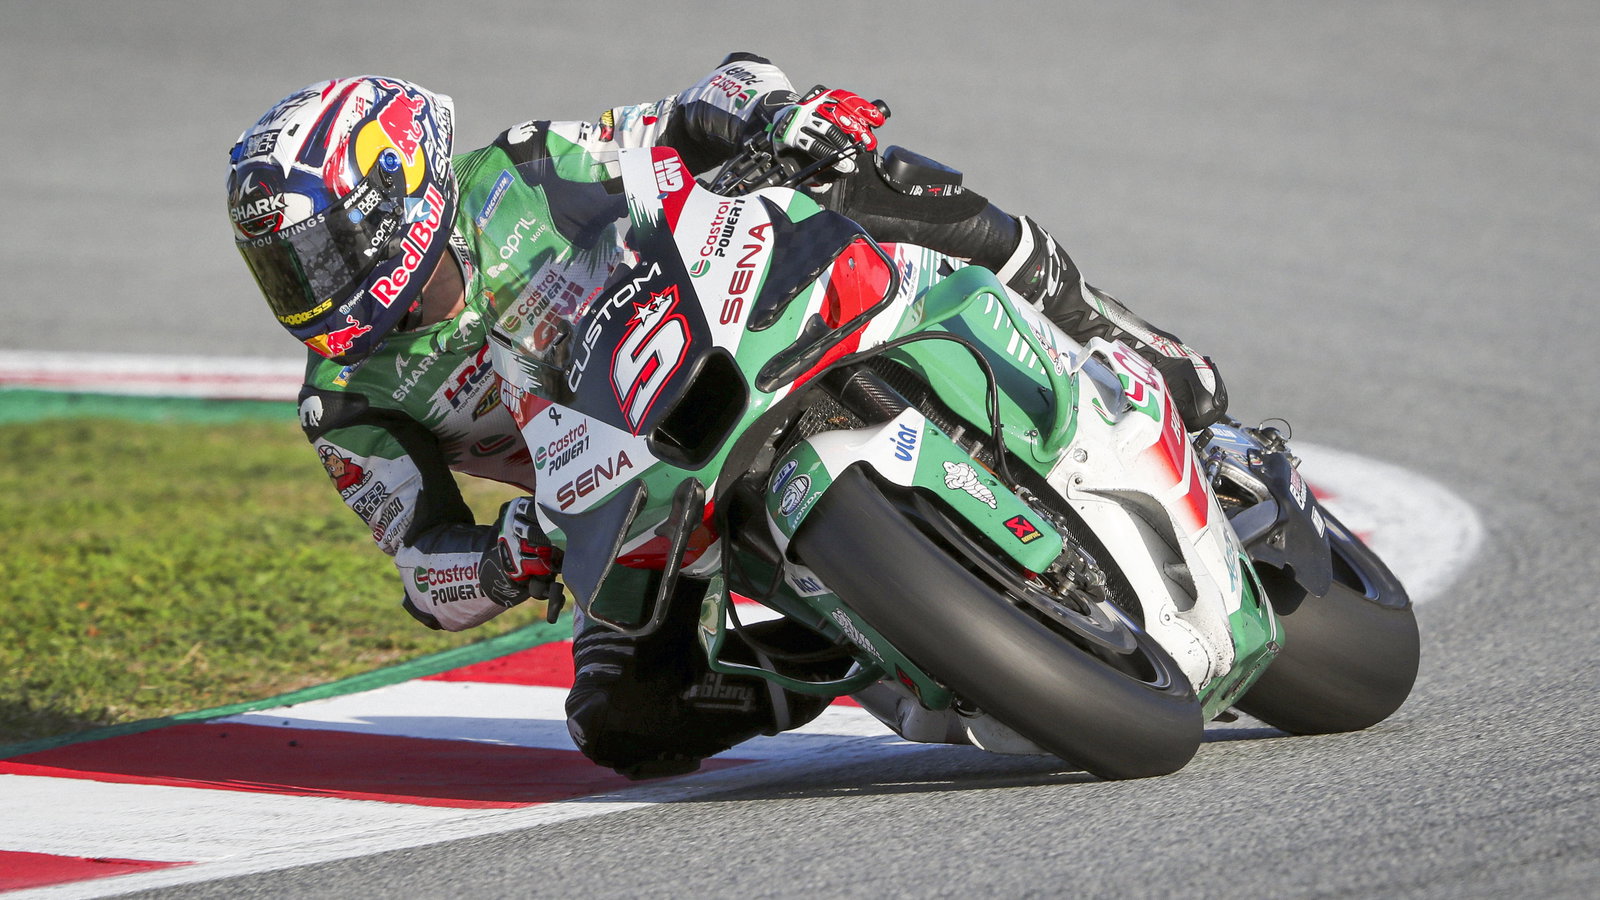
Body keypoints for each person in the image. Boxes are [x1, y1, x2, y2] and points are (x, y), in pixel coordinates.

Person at [226, 54, 1226, 779]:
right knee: (617, 721)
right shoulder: (347, 400)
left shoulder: (522, 172)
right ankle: (830, 652)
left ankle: (1106, 330)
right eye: (283, 267)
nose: (309, 287)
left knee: (862, 170)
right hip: (628, 513)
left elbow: (687, 113)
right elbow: (418, 562)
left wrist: (775, 113)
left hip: (718, 333)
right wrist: (496, 562)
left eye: (319, 252)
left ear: (396, 191)